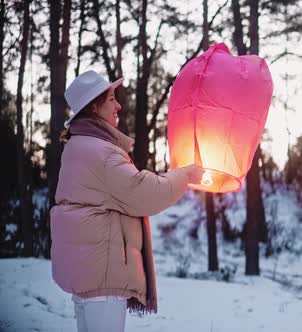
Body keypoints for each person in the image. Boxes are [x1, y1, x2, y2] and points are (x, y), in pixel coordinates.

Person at [50, 70, 203, 332]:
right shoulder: (102, 153)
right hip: (103, 279)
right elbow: (144, 193)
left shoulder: (77, 146)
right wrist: (184, 175)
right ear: (94, 107)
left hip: (88, 276)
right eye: (111, 98)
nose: (118, 104)